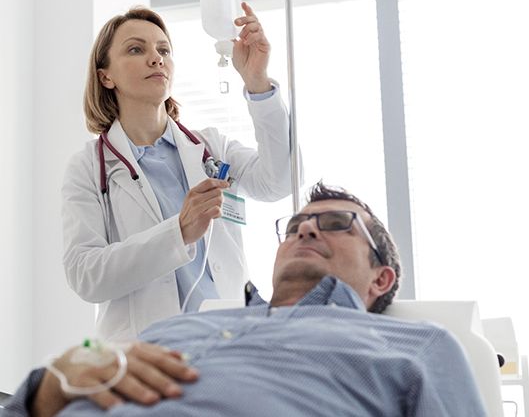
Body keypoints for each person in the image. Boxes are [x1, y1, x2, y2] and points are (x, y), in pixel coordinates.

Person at [3, 182, 487, 416]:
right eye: (295, 226)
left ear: (382, 278)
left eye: (337, 223)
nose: (308, 227)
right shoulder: (172, 330)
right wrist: (51, 384)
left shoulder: (416, 349)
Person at [62, 3, 295, 342]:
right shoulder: (88, 167)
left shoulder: (211, 147)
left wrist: (258, 83)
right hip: (146, 354)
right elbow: (86, 275)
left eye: (163, 50)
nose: (156, 58)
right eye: (135, 49)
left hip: (228, 341)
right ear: (105, 75)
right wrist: (179, 232)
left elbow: (279, 182)